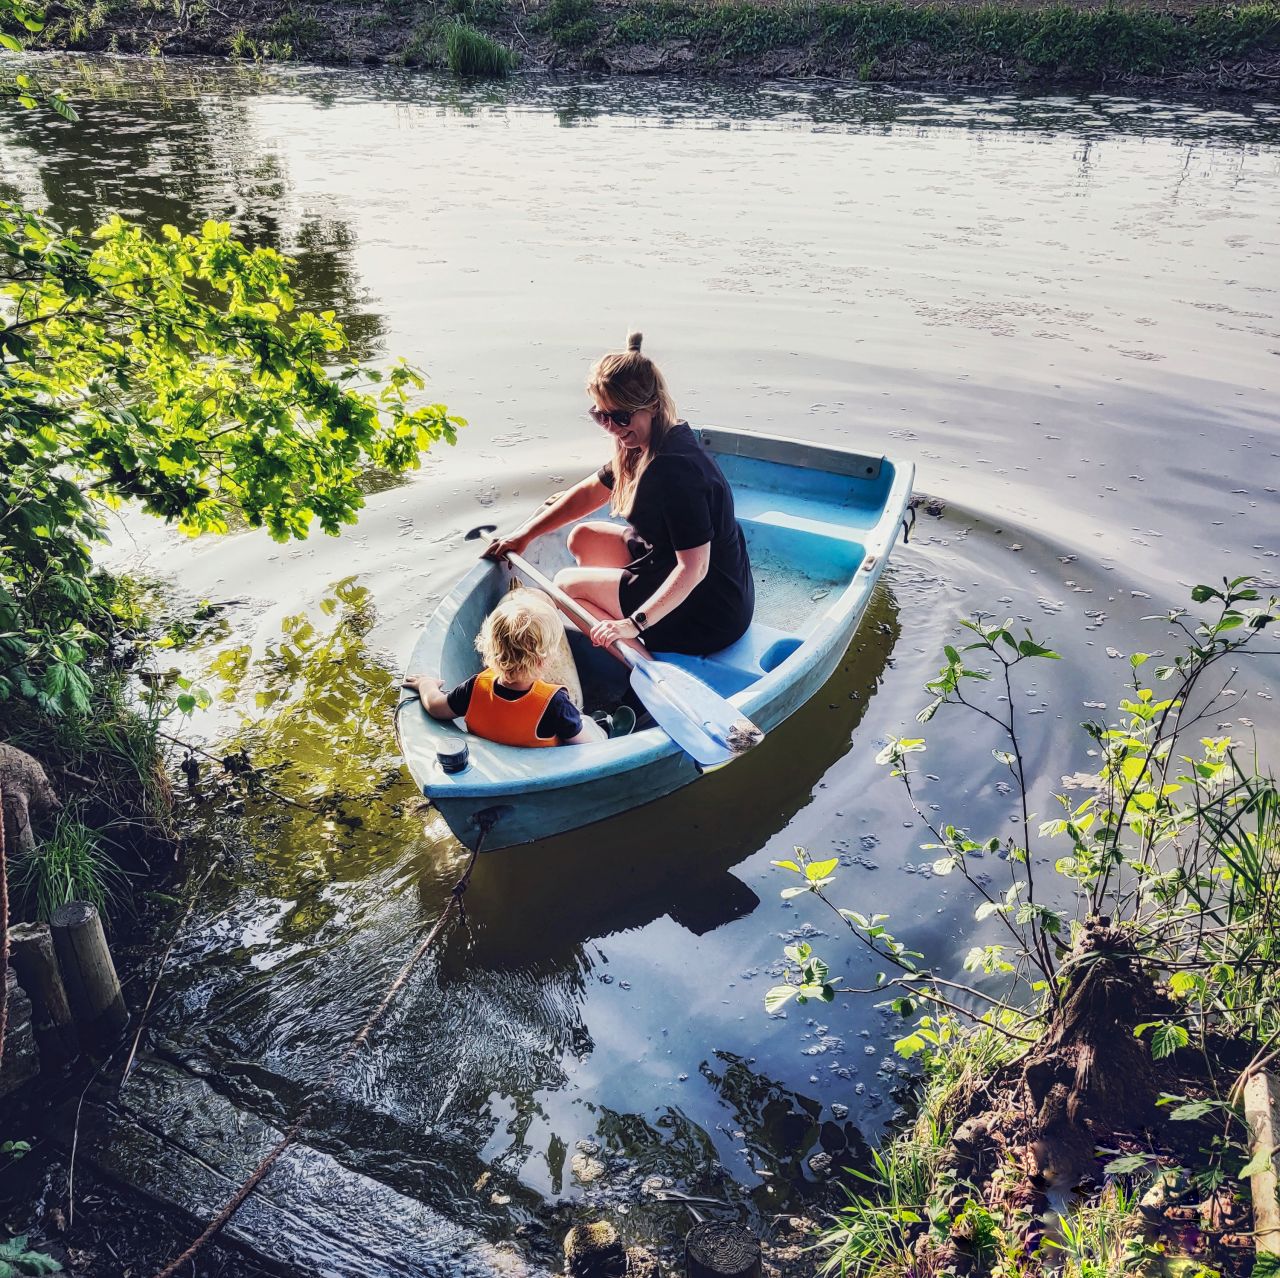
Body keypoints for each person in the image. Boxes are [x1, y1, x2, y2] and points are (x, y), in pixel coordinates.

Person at [486, 331, 754, 657]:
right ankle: (616, 609)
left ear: (652, 406)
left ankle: (641, 666)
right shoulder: (646, 441)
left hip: (711, 609)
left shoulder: (676, 470)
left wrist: (633, 623)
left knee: (566, 587)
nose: (612, 427)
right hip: (674, 564)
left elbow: (694, 568)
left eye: (620, 416)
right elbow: (589, 493)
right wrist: (524, 535)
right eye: (601, 416)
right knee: (582, 537)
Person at [403, 591, 607, 747]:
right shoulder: (555, 703)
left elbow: (436, 707)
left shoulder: (475, 686)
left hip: (498, 758)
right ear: (543, 660)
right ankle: (608, 729)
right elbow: (586, 749)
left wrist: (426, 684)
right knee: (586, 723)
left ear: (489, 648)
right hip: (543, 770)